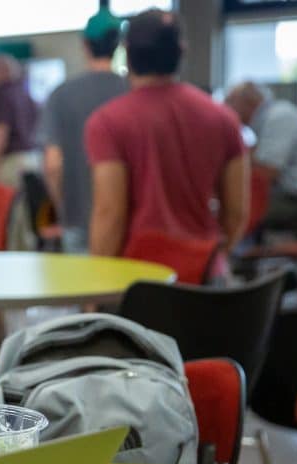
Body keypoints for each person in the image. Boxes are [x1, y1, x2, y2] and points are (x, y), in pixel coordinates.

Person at [85, 9, 247, 278]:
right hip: (203, 277)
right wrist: (214, 256)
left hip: (138, 281)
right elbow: (237, 212)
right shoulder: (224, 118)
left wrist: (95, 292)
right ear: (181, 51)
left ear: (127, 52)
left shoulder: (107, 122)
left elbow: (110, 214)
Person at [37, 8, 128, 253]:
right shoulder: (131, 92)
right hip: (128, 222)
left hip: (77, 218)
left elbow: (53, 164)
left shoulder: (61, 95)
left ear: (85, 45)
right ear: (119, 45)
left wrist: (63, 207)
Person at [224, 81, 297, 235]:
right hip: (284, 194)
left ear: (247, 102)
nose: (227, 110)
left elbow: (267, 171)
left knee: (230, 207)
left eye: (229, 102)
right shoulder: (267, 119)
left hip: (294, 199)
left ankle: (235, 252)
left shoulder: (279, 116)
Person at [0, 54, 40, 250]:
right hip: (32, 161)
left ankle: (14, 258)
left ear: (0, 72)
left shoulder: (2, 96)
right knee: (25, 216)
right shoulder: (27, 95)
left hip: (12, 164)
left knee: (9, 219)